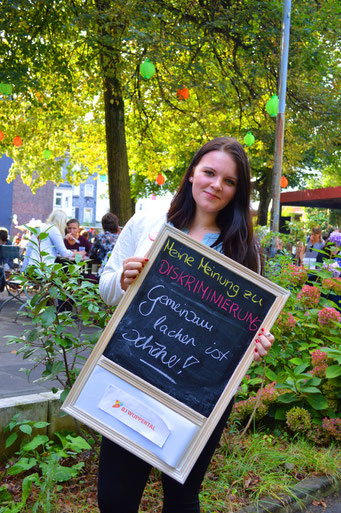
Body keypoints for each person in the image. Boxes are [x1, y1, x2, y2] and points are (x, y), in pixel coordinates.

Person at [98, 137, 275, 513]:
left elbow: (242, 332)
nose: (216, 185)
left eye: (229, 181)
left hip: (199, 392)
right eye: (209, 172)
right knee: (114, 499)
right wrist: (123, 280)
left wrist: (254, 345)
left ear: (237, 192)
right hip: (135, 372)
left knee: (181, 499)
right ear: (192, 172)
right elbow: (107, 286)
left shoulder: (243, 250)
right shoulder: (149, 222)